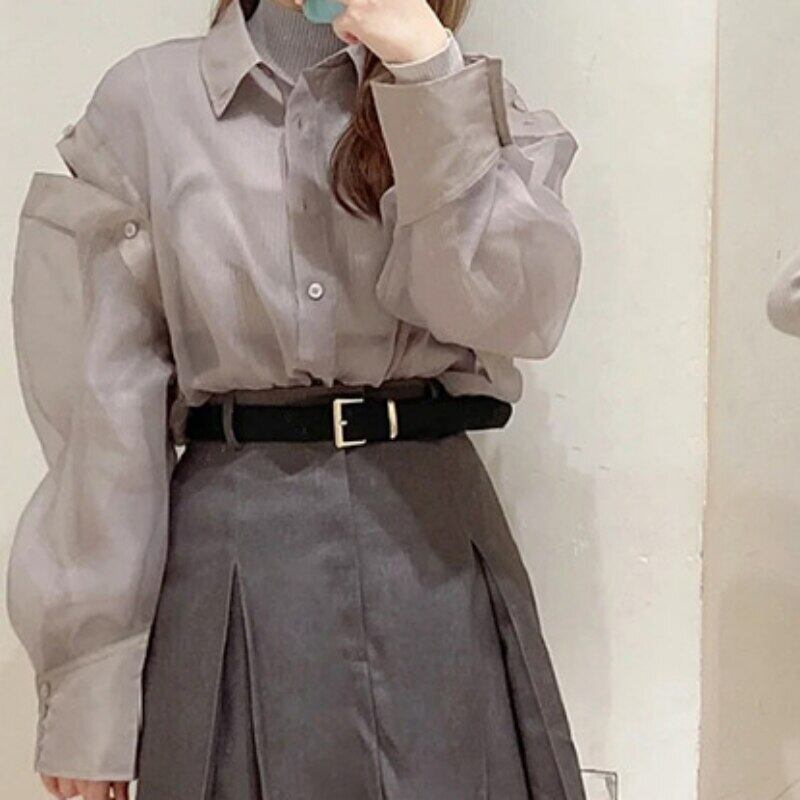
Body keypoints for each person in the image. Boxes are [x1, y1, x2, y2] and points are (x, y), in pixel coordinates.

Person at [6, 0, 586, 798]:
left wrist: (428, 79)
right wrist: (90, 693)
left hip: (434, 554)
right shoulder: (147, 103)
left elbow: (512, 313)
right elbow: (104, 412)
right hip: (232, 561)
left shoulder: (465, 96)